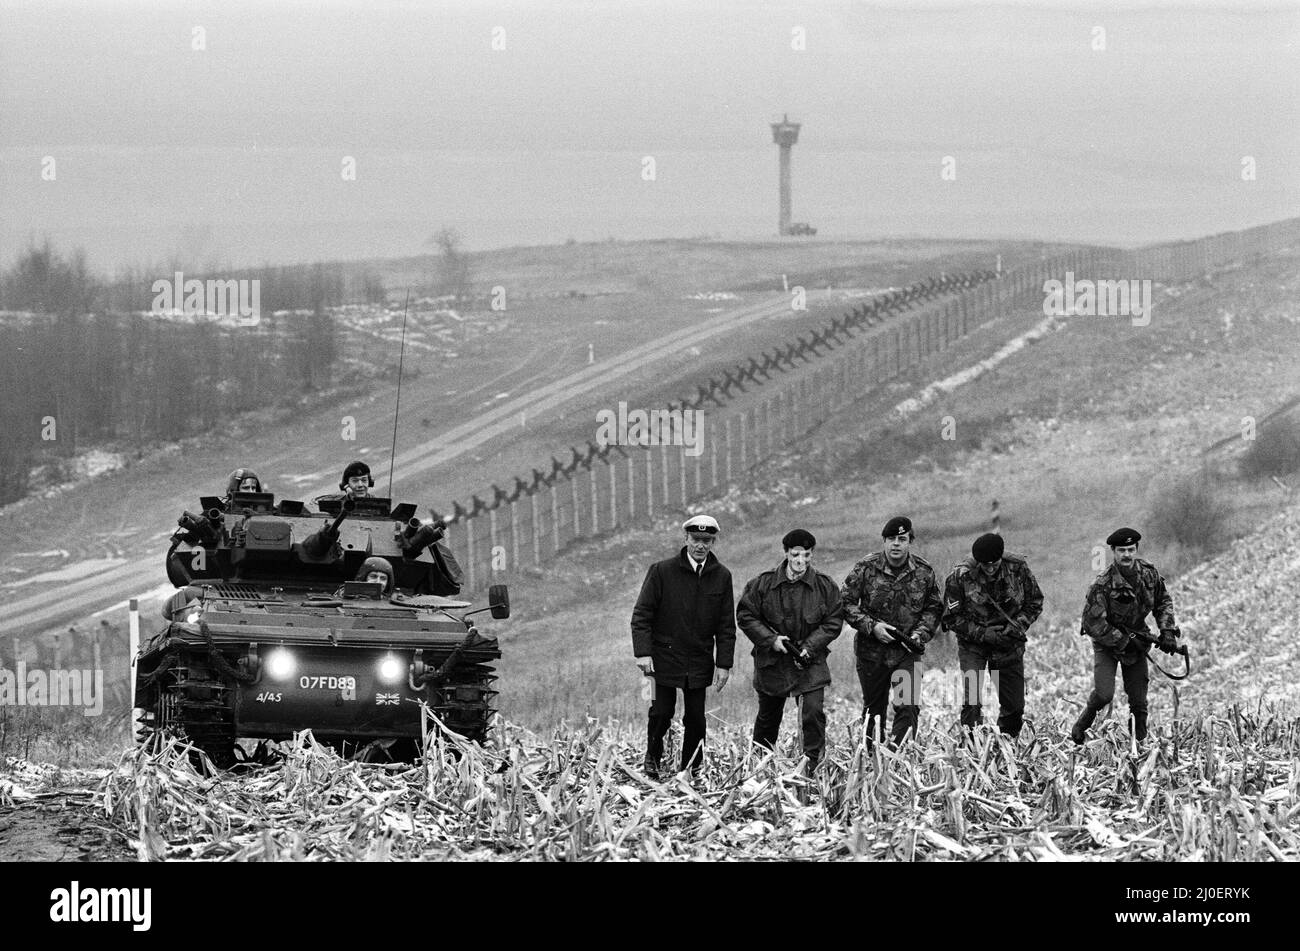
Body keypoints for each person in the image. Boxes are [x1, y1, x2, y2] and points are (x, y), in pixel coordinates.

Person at [631, 514, 736, 780]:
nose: (700, 545)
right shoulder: (661, 571)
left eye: (707, 540)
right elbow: (642, 614)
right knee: (660, 712)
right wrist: (643, 653)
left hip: (699, 659)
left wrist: (724, 664)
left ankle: (691, 767)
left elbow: (726, 625)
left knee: (696, 719)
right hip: (661, 658)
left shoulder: (722, 577)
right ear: (685, 538)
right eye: (696, 539)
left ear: (713, 542)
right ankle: (652, 758)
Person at [736, 529, 843, 770]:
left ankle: (812, 769)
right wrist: (771, 639)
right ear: (785, 553)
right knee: (768, 719)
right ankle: (759, 769)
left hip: (809, 661)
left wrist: (811, 646)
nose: (801, 561)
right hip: (773, 663)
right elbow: (745, 615)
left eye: (807, 555)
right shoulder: (762, 584)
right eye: (796, 555)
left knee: (813, 714)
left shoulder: (825, 586)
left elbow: (834, 621)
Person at [1071, 528, 1182, 744]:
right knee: (1104, 695)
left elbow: (1163, 601)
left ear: (1136, 549)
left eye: (1131, 549)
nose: (1127, 555)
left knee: (1139, 701)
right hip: (1107, 645)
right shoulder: (1103, 584)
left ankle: (1138, 744)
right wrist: (1122, 641)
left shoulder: (1149, 574)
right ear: (1113, 551)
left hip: (1137, 642)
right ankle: (1083, 723)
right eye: (1122, 550)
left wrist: (1167, 631)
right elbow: (1092, 622)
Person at [841, 516, 943, 746]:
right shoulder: (866, 567)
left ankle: (899, 758)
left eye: (901, 539)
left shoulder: (924, 571)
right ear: (884, 542)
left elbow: (934, 608)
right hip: (871, 653)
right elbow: (845, 603)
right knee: (873, 711)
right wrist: (872, 626)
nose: (896, 544)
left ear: (909, 541)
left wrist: (920, 634)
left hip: (906, 652)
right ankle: (872, 759)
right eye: (891, 539)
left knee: (907, 706)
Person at [942, 532, 1044, 738]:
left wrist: (1016, 628)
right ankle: (972, 746)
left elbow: (1035, 602)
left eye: (994, 564)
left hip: (1008, 643)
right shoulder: (960, 577)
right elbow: (951, 618)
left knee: (1014, 706)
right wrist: (983, 634)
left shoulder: (1018, 568)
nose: (989, 569)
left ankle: (1007, 742)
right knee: (972, 701)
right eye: (984, 565)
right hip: (973, 645)